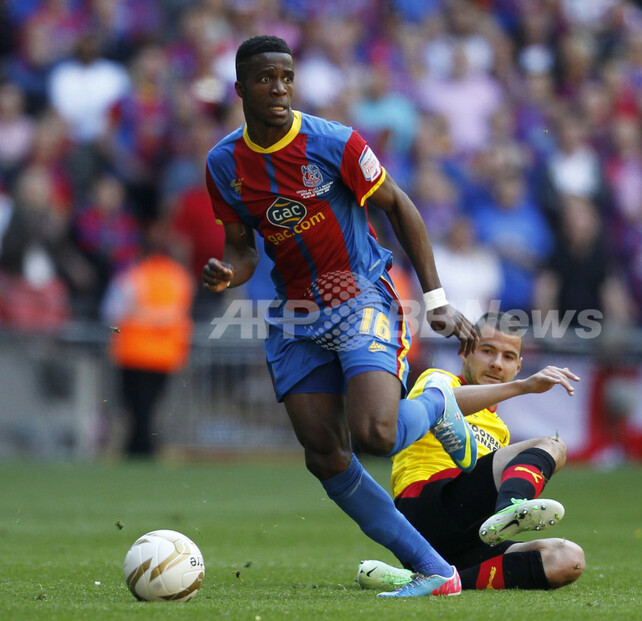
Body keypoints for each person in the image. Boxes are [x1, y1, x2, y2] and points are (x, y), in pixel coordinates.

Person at [202, 35, 479, 597]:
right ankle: (435, 570)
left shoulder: (335, 142)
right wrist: (229, 273)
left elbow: (399, 205)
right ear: (240, 89)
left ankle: (436, 401)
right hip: (295, 313)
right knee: (324, 454)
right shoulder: (224, 164)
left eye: (286, 77)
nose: (278, 88)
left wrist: (435, 300)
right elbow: (242, 248)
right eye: (264, 78)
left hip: (359, 295)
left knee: (376, 432)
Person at [356, 312, 586, 592]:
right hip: (423, 508)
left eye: (508, 357)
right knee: (554, 444)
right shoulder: (438, 379)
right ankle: (511, 507)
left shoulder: (500, 429)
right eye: (487, 351)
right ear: (465, 352)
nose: (497, 363)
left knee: (568, 559)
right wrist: (523, 387)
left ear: (518, 366)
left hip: (467, 534)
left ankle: (434, 579)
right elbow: (444, 403)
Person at [101, 222, 194, 457]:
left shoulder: (133, 276)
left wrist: (122, 330)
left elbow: (111, 313)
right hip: (166, 355)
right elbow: (182, 312)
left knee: (136, 406)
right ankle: (142, 446)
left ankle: (140, 448)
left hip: (133, 353)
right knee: (151, 405)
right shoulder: (180, 277)